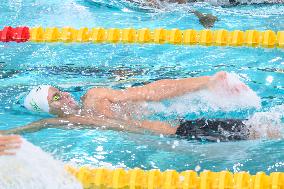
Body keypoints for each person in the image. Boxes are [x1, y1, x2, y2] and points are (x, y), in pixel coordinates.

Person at [1, 71, 278, 142]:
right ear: (50, 110)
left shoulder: (96, 98)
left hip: (184, 128)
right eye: (56, 98)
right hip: (181, 135)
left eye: (59, 91)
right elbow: (36, 126)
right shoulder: (70, 122)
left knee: (269, 131)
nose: (65, 96)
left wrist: (207, 82)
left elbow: (151, 92)